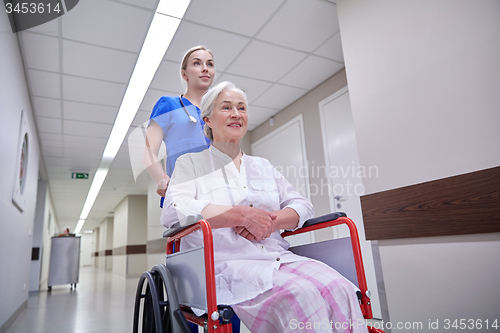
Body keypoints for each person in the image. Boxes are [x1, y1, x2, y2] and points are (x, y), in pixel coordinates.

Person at [162, 81, 368, 333]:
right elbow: (173, 210)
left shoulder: (263, 166)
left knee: (341, 288)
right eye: (226, 108)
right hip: (226, 265)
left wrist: (272, 221)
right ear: (207, 119)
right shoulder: (190, 164)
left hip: (279, 258)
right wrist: (241, 215)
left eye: (241, 108)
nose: (236, 114)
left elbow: (302, 205)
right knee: (300, 294)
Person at [143, 46, 214, 200]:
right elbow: (149, 153)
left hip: (217, 194)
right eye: (197, 63)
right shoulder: (168, 104)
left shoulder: (217, 112)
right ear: (184, 74)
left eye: (209, 64)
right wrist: (163, 179)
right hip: (183, 194)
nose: (205, 69)